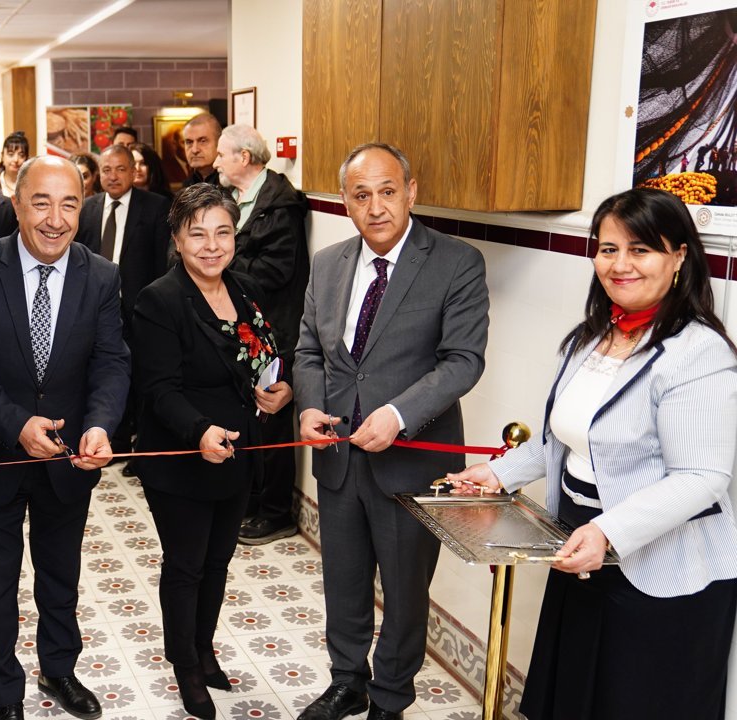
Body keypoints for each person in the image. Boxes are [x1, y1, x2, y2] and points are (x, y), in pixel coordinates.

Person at [447, 188, 737, 720]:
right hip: (580, 543)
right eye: (607, 249)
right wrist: (499, 473)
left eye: (640, 249)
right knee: (576, 696)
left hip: (661, 568)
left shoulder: (698, 354)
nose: (620, 265)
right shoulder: (592, 337)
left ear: (679, 256)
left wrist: (608, 531)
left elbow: (702, 477)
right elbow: (563, 439)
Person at [292, 143, 488, 720]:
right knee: (343, 581)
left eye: (387, 191)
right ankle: (347, 681)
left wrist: (399, 414)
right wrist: (309, 408)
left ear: (411, 191)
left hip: (412, 461)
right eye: (361, 195)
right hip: (338, 457)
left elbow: (463, 360)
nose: (375, 207)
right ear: (345, 201)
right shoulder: (328, 263)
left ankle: (390, 696)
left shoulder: (456, 261)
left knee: (405, 591)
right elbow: (309, 350)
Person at [0, 155, 131, 720]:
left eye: (69, 204)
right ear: (16, 203)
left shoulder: (101, 275)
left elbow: (111, 362)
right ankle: (3, 693)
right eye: (41, 203)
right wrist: (15, 425)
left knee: (61, 576)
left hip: (68, 458)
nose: (55, 219)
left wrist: (100, 424)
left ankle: (59, 670)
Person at [132, 183, 292, 719]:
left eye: (223, 232)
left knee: (218, 561)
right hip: (182, 456)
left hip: (237, 451)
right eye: (197, 234)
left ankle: (204, 649)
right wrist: (199, 430)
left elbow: (266, 356)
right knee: (186, 566)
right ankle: (184, 665)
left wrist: (280, 389)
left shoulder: (245, 288)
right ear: (177, 239)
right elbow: (159, 389)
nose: (211, 245)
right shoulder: (159, 300)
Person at [211, 124, 310, 546]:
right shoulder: (234, 199)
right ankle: (251, 502)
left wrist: (222, 262)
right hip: (244, 326)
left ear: (244, 157)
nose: (215, 161)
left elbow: (276, 271)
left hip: (275, 332)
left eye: (221, 154)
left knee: (272, 421)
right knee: (248, 419)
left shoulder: (280, 206)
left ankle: (276, 513)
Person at [78, 143, 171, 460]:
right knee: (102, 372)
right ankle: (111, 439)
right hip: (95, 307)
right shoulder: (88, 208)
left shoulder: (156, 207)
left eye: (121, 169)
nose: (113, 176)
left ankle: (141, 446)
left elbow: (161, 263)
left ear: (134, 172)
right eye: (106, 169)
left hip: (139, 307)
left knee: (141, 376)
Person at [182, 113, 222, 187]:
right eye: (189, 142)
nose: (194, 150)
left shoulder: (232, 185)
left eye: (203, 141)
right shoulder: (186, 187)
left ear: (219, 142)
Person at [0, 130, 29, 196]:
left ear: (26, 158)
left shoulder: (33, 182)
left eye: (21, 155)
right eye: (11, 154)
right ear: (2, 156)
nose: (16, 159)